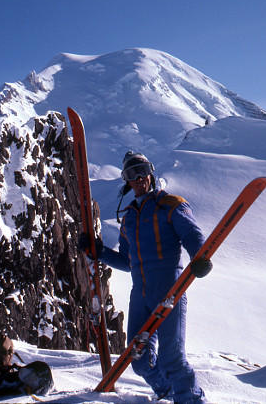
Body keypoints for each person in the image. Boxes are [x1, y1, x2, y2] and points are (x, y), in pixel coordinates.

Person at [80, 151, 212, 404]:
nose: (139, 178)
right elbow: (128, 262)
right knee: (137, 359)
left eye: (143, 171)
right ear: (127, 181)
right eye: (132, 174)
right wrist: (99, 252)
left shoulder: (171, 204)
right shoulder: (129, 217)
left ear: (151, 173)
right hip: (140, 294)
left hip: (168, 289)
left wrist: (200, 257)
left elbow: (192, 235)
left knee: (171, 359)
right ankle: (169, 393)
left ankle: (192, 400)